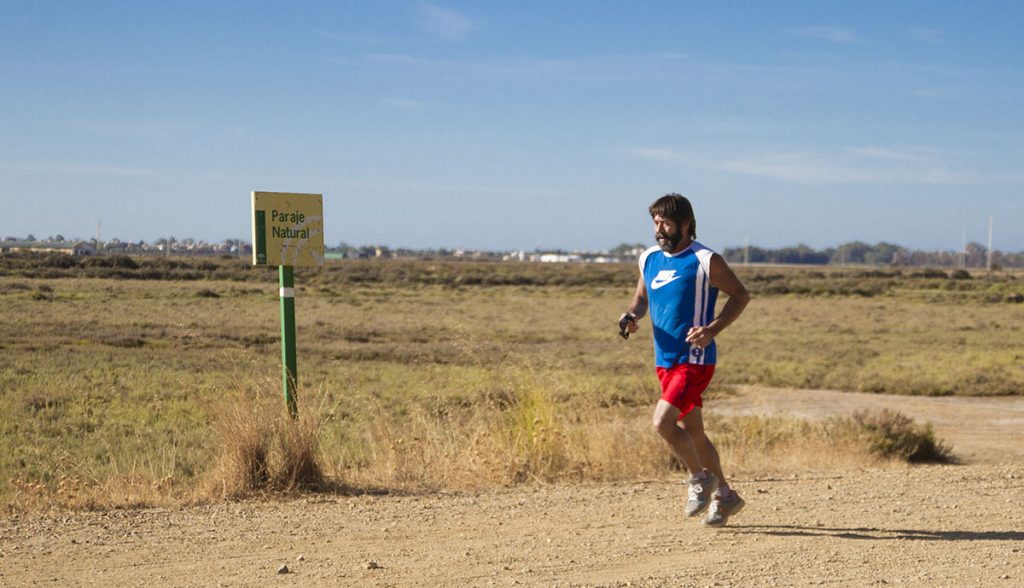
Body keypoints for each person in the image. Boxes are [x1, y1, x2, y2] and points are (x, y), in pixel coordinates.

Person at [618, 193, 750, 527]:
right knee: (695, 434)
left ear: (685, 223)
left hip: (695, 358)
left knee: (662, 423)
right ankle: (726, 496)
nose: (658, 229)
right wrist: (631, 316)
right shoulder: (649, 258)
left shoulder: (705, 259)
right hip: (664, 360)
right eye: (655, 223)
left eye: (665, 223)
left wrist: (712, 329)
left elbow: (740, 295)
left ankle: (700, 479)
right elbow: (640, 298)